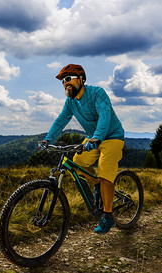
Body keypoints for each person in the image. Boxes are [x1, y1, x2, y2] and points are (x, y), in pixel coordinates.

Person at [40, 64, 125, 234]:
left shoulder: (97, 93)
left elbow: (104, 114)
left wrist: (98, 137)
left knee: (104, 168)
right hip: (94, 138)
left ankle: (108, 216)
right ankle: (97, 184)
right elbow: (61, 120)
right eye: (63, 81)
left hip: (111, 137)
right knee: (78, 161)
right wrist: (47, 138)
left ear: (80, 79)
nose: (65, 83)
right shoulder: (70, 102)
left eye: (69, 79)